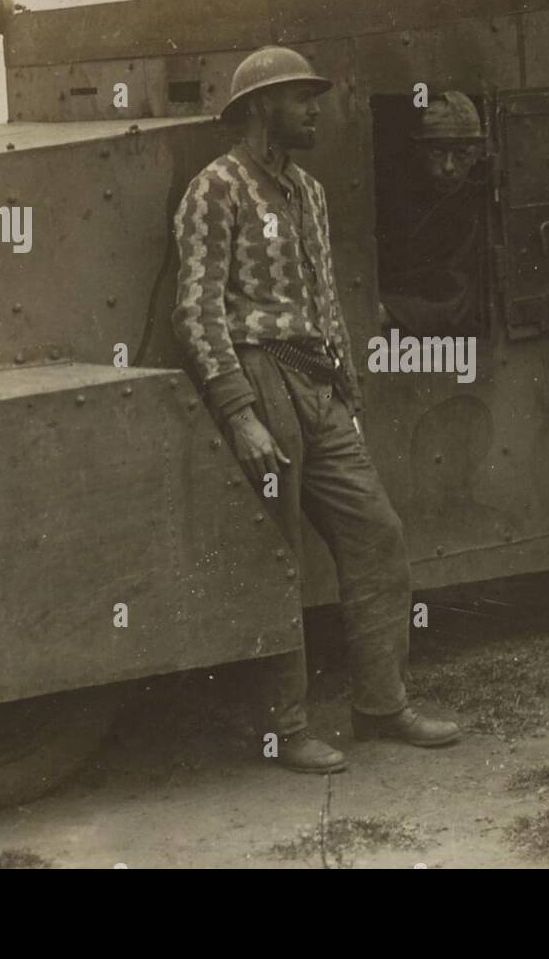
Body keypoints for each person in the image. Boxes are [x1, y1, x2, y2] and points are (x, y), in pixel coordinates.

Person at [171, 45, 460, 771]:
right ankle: (283, 726)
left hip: (316, 385)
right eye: (300, 97)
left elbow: (326, 300)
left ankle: (380, 705)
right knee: (275, 557)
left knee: (377, 535)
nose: (315, 109)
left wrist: (347, 391)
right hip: (257, 379)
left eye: (315, 95)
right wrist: (238, 411)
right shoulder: (217, 189)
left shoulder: (310, 191)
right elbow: (197, 312)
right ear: (259, 108)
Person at [379, 91, 485, 336]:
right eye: (438, 153)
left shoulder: (478, 208)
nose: (448, 166)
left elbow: (462, 303)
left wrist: (391, 312)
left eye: (461, 154)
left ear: (478, 155)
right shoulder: (397, 196)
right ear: (419, 151)